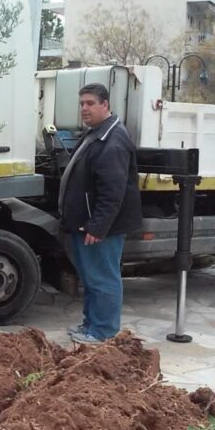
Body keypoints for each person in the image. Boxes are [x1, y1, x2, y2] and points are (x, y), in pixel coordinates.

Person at [58, 83, 142, 344]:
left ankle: (103, 332)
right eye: (82, 103)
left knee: (103, 279)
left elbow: (112, 192)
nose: (84, 108)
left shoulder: (113, 140)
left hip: (98, 229)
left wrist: (98, 226)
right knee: (92, 279)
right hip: (85, 224)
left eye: (90, 103)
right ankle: (91, 326)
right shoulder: (96, 133)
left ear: (105, 104)